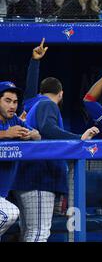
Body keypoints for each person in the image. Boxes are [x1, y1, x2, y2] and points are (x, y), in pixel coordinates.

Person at [12, 42, 99, 242]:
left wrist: (35, 62)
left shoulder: (33, 103)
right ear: (61, 94)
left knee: (30, 232)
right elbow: (49, 129)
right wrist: (79, 138)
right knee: (39, 233)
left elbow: (30, 92)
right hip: (39, 178)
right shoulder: (48, 105)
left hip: (26, 178)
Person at [0, 82, 41, 240]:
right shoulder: (9, 127)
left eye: (15, 102)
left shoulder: (15, 120)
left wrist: (29, 135)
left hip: (3, 194)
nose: (12, 106)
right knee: (11, 212)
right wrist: (5, 134)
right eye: (7, 101)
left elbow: (37, 135)